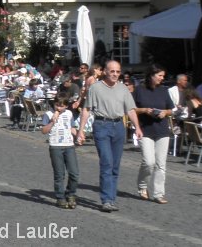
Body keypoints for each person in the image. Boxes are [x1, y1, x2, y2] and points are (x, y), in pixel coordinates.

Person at [79, 59, 142, 212]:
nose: (115, 74)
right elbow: (87, 109)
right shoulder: (96, 88)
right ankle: (106, 199)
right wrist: (81, 130)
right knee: (106, 162)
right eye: (112, 71)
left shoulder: (123, 89)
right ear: (105, 72)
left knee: (115, 165)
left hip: (119, 126)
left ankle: (111, 199)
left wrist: (137, 127)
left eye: (117, 71)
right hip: (102, 125)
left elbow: (131, 110)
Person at [132, 64, 175, 204]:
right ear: (151, 75)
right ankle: (142, 186)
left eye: (163, 76)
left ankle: (158, 194)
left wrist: (164, 113)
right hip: (145, 130)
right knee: (149, 162)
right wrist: (144, 110)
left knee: (161, 164)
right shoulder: (139, 90)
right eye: (160, 76)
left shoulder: (164, 91)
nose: (162, 78)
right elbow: (131, 109)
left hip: (162, 130)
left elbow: (171, 110)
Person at [42, 97, 80, 209]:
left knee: (74, 173)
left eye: (62, 106)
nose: (59, 108)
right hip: (55, 146)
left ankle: (71, 194)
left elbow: (72, 127)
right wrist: (52, 121)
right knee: (59, 174)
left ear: (66, 106)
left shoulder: (68, 113)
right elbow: (44, 131)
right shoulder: (48, 114)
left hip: (69, 146)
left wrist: (78, 135)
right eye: (57, 105)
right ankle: (60, 197)